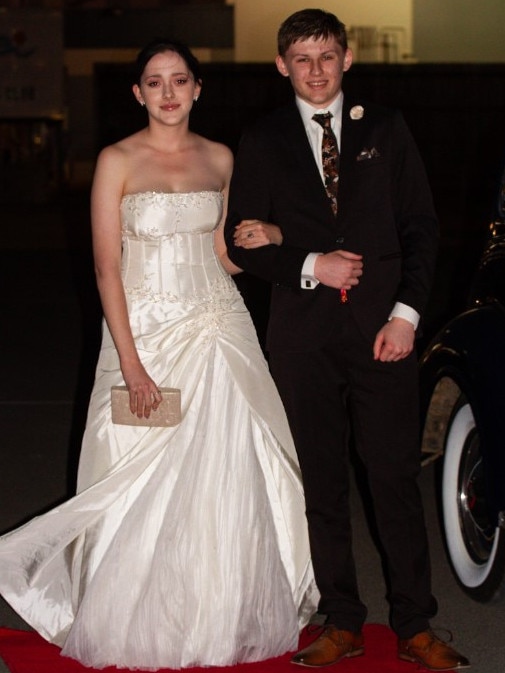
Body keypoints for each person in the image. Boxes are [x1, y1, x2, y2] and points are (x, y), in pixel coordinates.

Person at [0, 38, 317, 670]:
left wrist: (277, 236)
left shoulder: (223, 158)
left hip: (219, 326)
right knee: (134, 470)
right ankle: (133, 615)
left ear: (198, 88)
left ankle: (215, 611)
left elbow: (229, 255)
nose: (168, 92)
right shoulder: (116, 160)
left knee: (226, 466)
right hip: (142, 332)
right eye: (154, 81)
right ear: (138, 93)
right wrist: (133, 361)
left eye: (179, 80)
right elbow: (105, 270)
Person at [224, 9, 469, 672]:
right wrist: (309, 263)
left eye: (326, 56)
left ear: (347, 56)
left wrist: (406, 315)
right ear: (281, 65)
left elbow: (420, 226)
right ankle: (341, 619)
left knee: (391, 477)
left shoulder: (385, 129)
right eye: (301, 59)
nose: (315, 70)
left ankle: (414, 622)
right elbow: (241, 243)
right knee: (322, 483)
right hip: (302, 339)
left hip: (382, 333)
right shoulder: (264, 137)